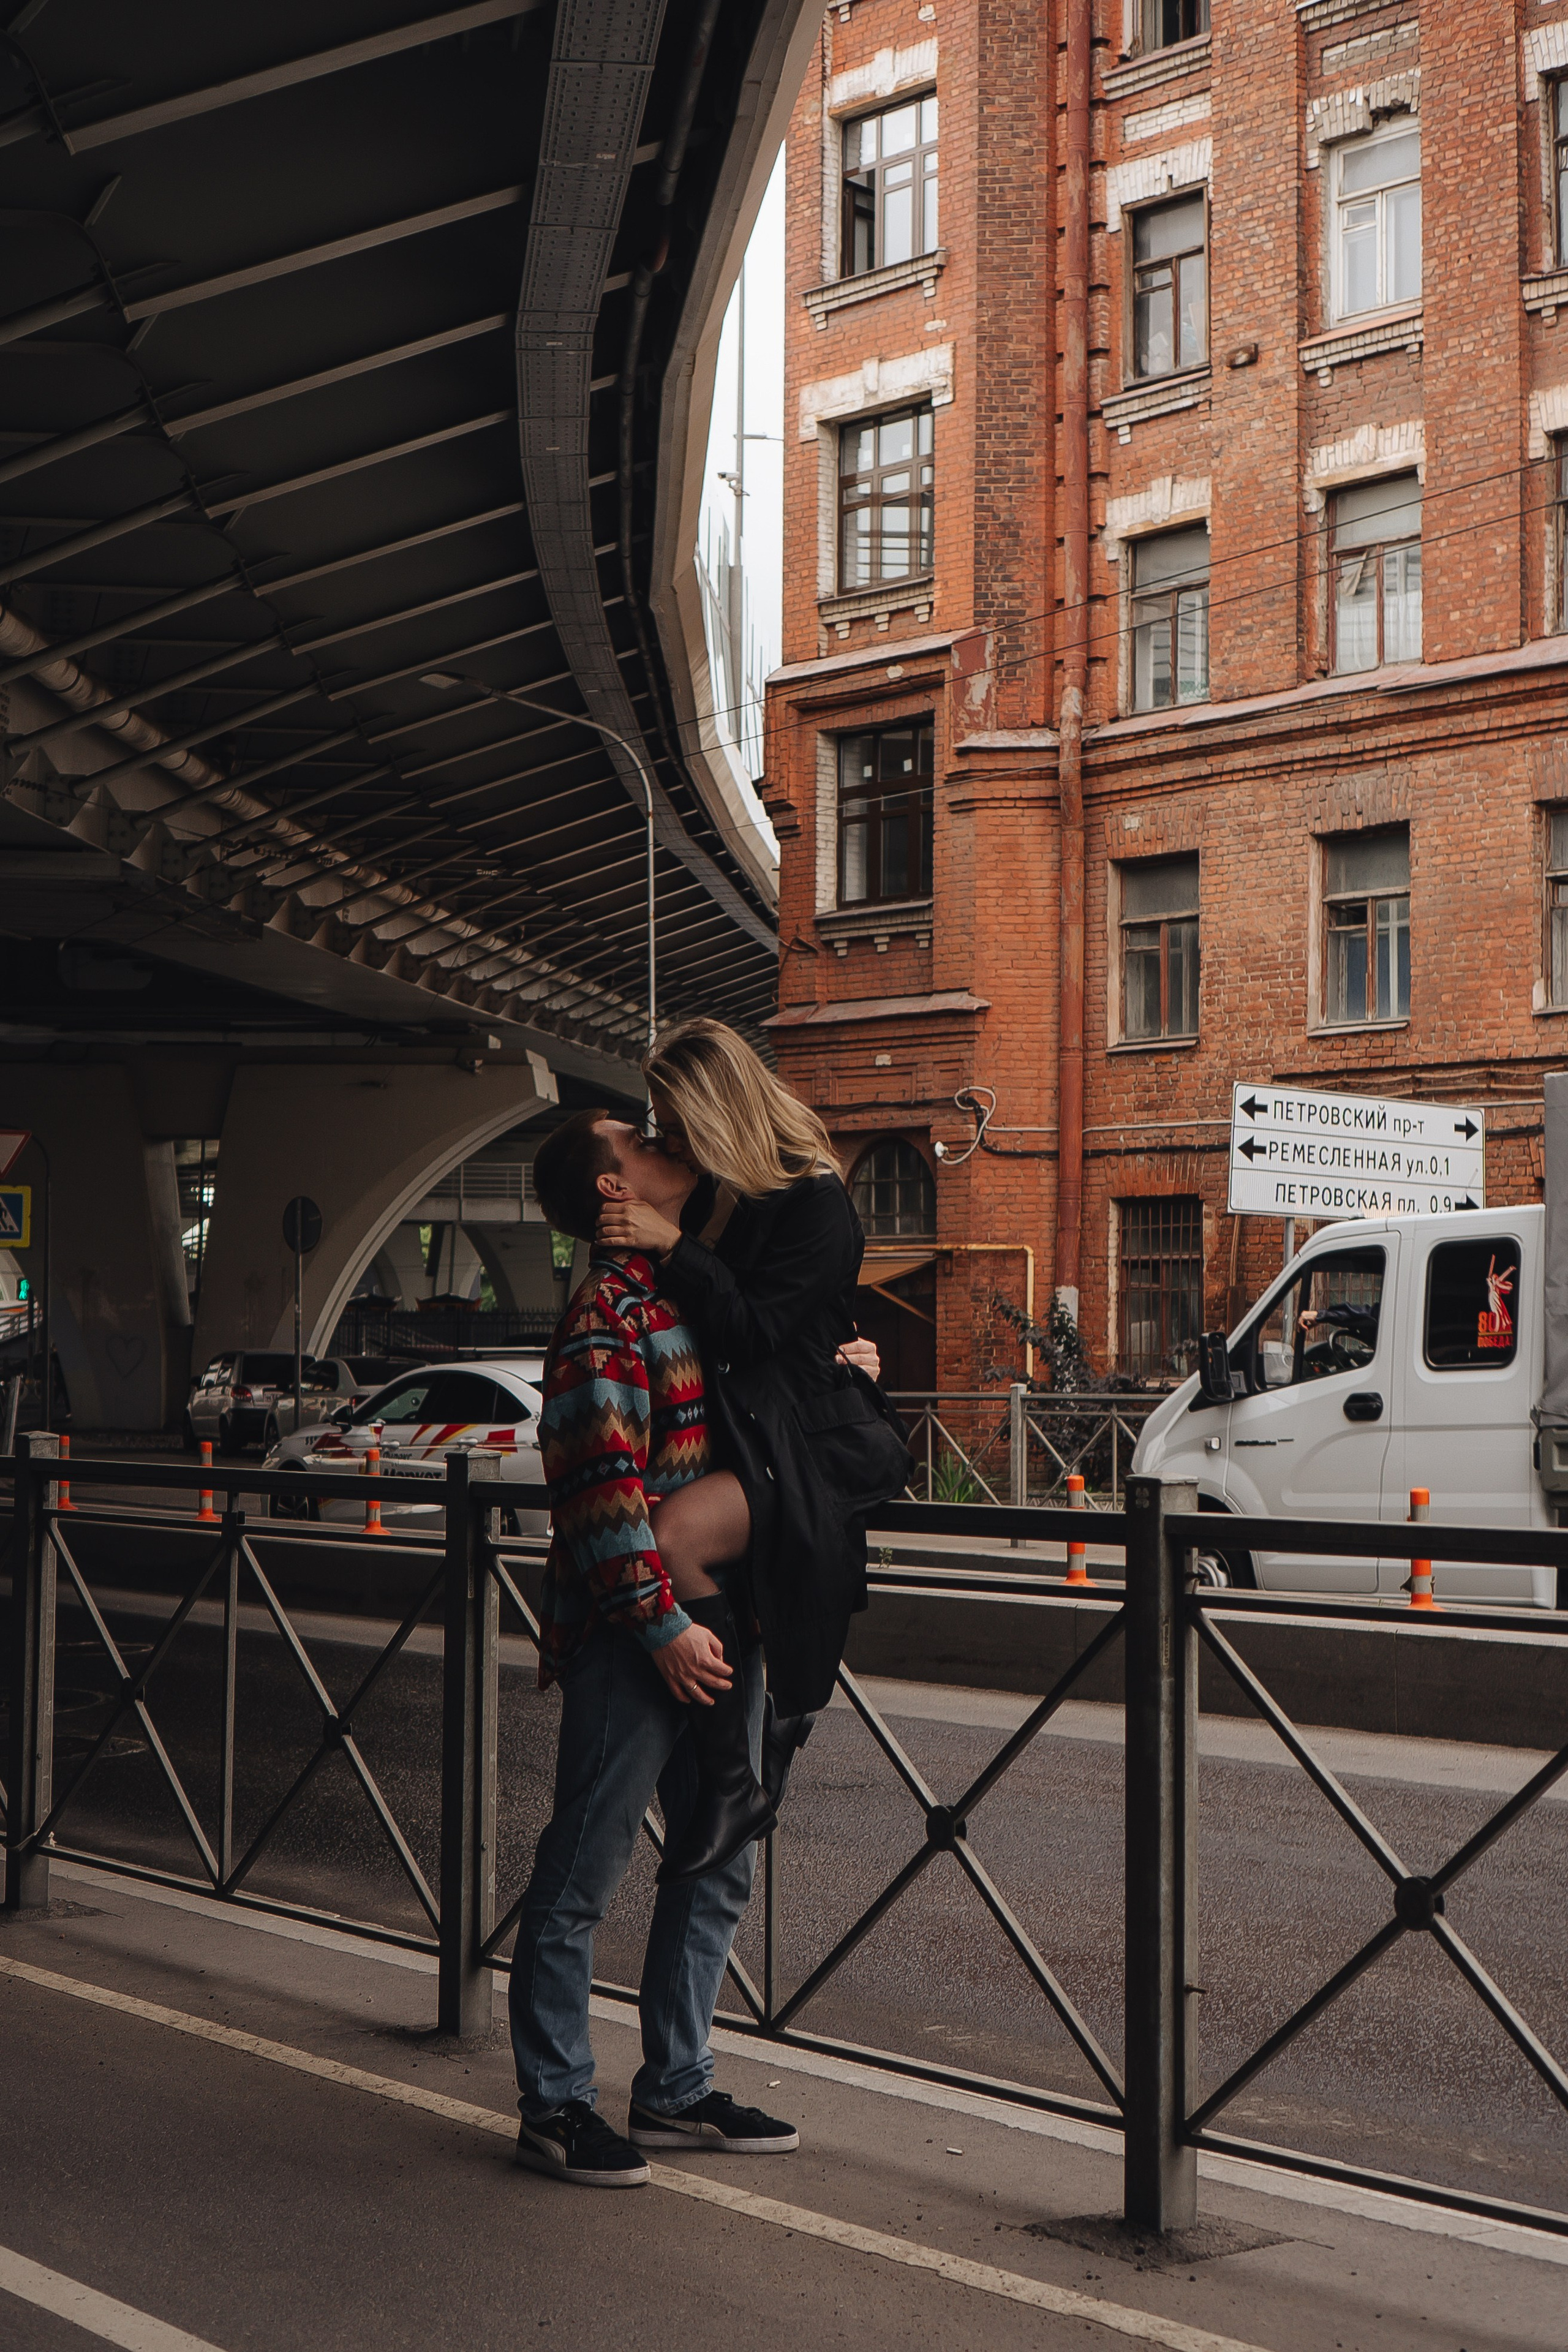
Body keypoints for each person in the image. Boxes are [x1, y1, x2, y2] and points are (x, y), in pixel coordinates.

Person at [507, 1106, 799, 2187]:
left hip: (719, 1618)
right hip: (639, 1635)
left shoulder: (685, 1289)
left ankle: (676, 2087)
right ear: (611, 1190)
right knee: (584, 1868)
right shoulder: (606, 1316)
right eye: (634, 1137)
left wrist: (836, 1359)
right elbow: (599, 1488)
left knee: (716, 1858)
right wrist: (661, 1625)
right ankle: (555, 2105)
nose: (660, 1136)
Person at [597, 1018, 913, 1819]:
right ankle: (742, 1772)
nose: (671, 1142)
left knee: (677, 1537)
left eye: (677, 1125)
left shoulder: (814, 1200)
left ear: (718, 1112)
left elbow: (755, 1331)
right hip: (745, 1436)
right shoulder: (726, 1194)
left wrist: (673, 1245)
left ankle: (746, 1768)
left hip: (797, 1443)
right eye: (661, 1130)